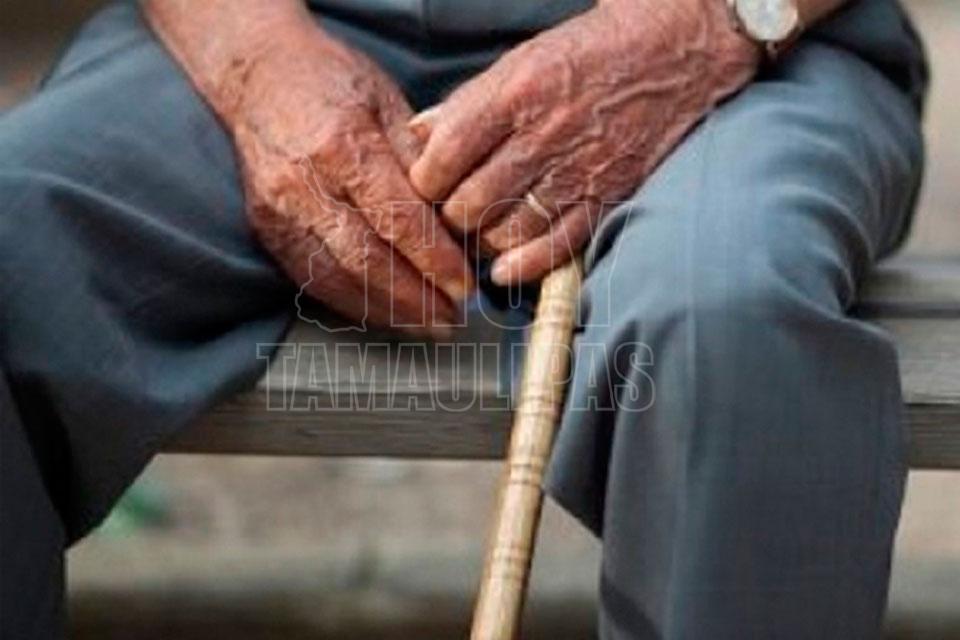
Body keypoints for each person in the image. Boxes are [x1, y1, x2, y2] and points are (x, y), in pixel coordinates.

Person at [0, 0, 927, 637]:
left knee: (727, 313)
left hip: (743, 46)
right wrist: (259, 63)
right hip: (280, 28)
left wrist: (711, 23)